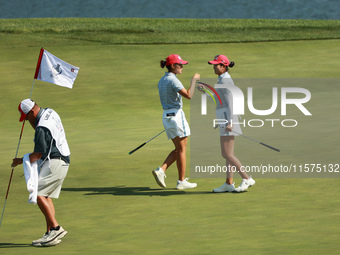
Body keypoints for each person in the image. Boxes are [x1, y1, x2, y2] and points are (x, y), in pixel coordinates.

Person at [11, 99, 70, 246]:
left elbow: (37, 155)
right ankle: (50, 233)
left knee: (38, 194)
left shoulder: (41, 128)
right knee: (46, 196)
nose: (27, 121)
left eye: (26, 117)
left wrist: (20, 160)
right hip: (62, 160)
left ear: (31, 112)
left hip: (55, 162)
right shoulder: (50, 112)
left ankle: (56, 228)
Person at [206, 55, 255, 192]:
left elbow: (233, 101)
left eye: (216, 65)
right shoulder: (221, 79)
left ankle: (246, 178)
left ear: (223, 66)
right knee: (227, 153)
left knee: (227, 154)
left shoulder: (226, 80)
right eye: (213, 64)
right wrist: (208, 92)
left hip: (229, 119)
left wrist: (231, 121)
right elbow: (220, 102)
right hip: (225, 118)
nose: (214, 67)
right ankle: (229, 183)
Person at [152, 54, 200, 190]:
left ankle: (161, 170)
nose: (182, 67)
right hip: (177, 115)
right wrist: (194, 80)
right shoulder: (174, 80)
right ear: (173, 66)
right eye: (180, 65)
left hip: (166, 116)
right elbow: (189, 95)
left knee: (179, 149)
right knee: (182, 150)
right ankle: (181, 181)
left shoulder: (162, 80)